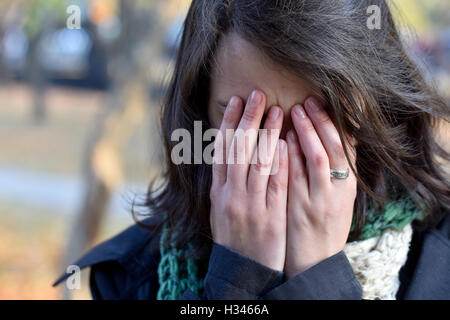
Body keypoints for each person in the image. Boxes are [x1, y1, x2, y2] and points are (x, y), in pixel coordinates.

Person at [53, 0, 450, 300]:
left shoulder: (440, 265)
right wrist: (239, 278)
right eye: (248, 121)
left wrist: (317, 276)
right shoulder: (130, 275)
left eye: (314, 123)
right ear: (200, 114)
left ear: (375, 110)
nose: (274, 157)